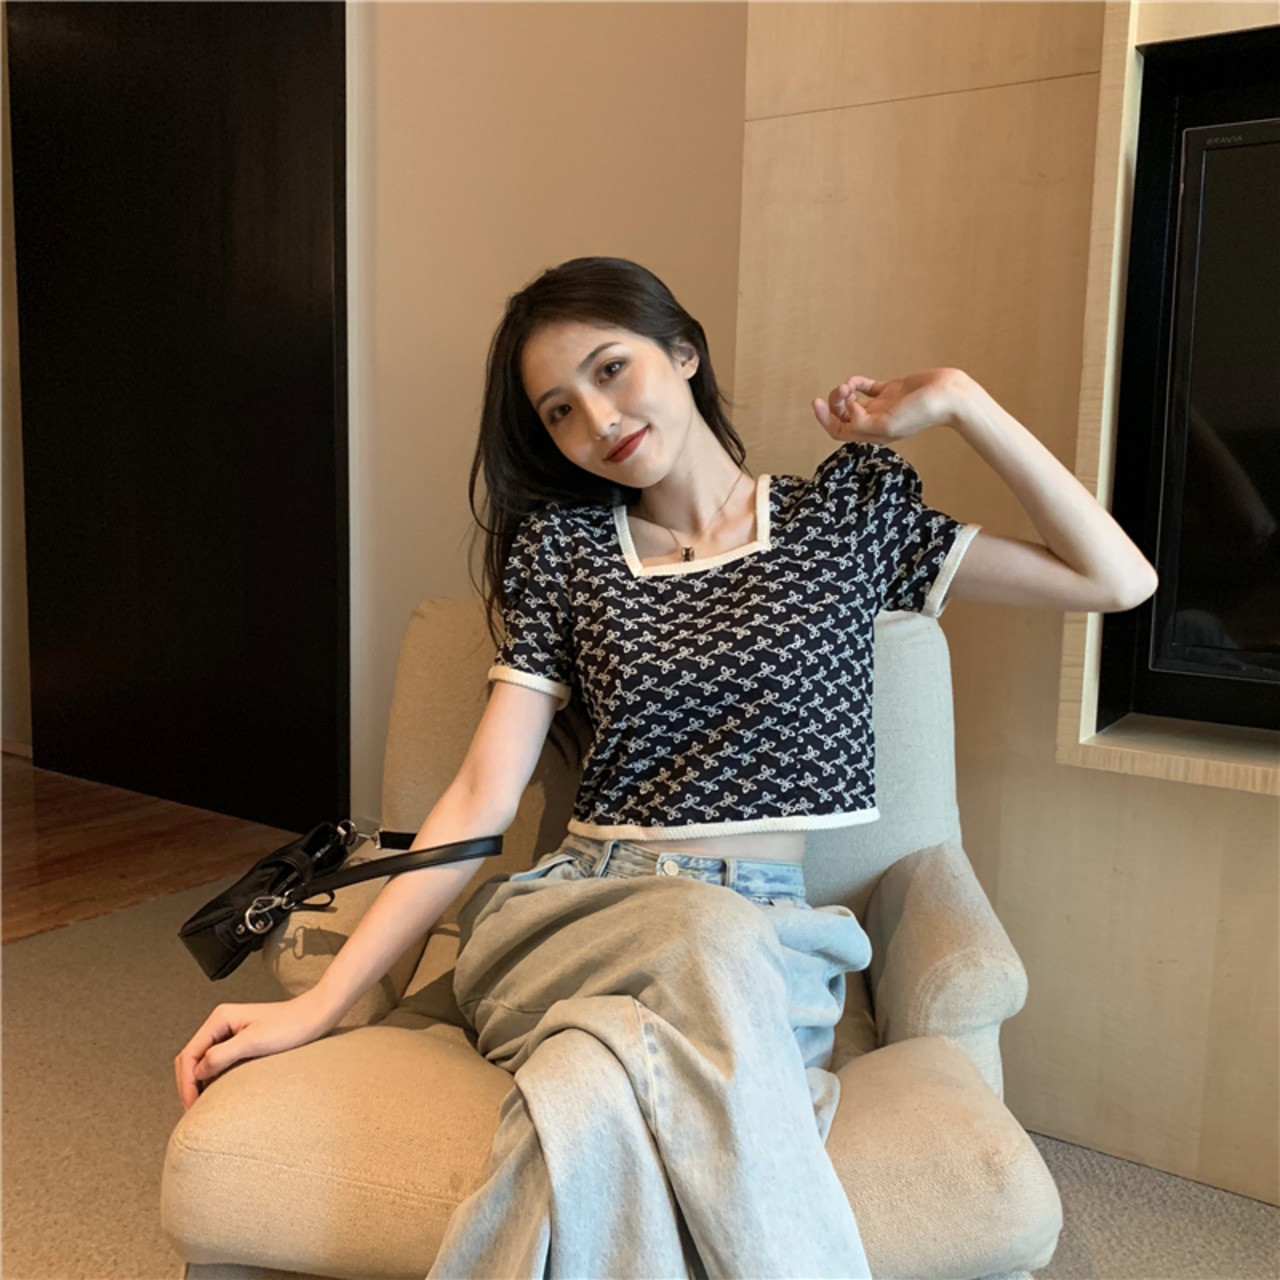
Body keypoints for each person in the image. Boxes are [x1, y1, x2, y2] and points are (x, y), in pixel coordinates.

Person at [175, 256, 1158, 1277]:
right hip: (575, 918)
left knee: (588, 1097)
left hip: (767, 943)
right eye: (559, 410)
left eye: (611, 369)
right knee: (700, 929)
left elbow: (1116, 577)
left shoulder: (841, 524)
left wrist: (959, 400)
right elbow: (477, 797)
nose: (597, 419)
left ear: (683, 351)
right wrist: (318, 1001)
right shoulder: (566, 553)